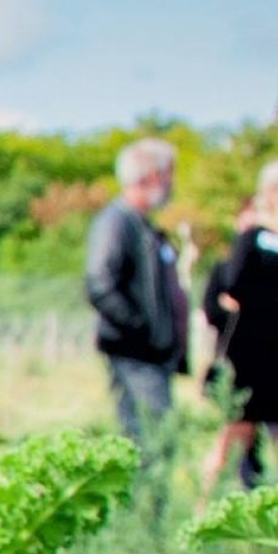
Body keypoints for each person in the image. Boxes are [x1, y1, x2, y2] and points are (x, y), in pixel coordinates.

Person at [202, 156, 278, 491]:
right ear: (271, 192)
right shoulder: (254, 238)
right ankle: (202, 514)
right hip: (253, 352)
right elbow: (236, 288)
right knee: (236, 433)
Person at [85, 138, 186, 449]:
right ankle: (144, 500)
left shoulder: (144, 226)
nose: (171, 183)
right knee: (148, 441)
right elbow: (100, 284)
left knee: (157, 440)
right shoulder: (117, 222)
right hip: (135, 353)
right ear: (151, 176)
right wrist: (141, 329)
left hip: (152, 355)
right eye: (168, 174)